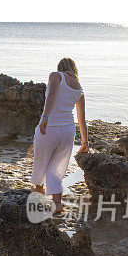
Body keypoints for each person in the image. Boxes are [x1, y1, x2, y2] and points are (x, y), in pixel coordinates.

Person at [31, 57, 89, 215]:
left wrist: (45, 119)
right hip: (68, 131)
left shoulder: (56, 76)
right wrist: (85, 142)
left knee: (40, 163)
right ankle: (57, 204)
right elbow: (82, 120)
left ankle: (39, 200)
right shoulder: (79, 89)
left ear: (60, 67)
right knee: (56, 168)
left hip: (50, 128)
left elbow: (51, 97)